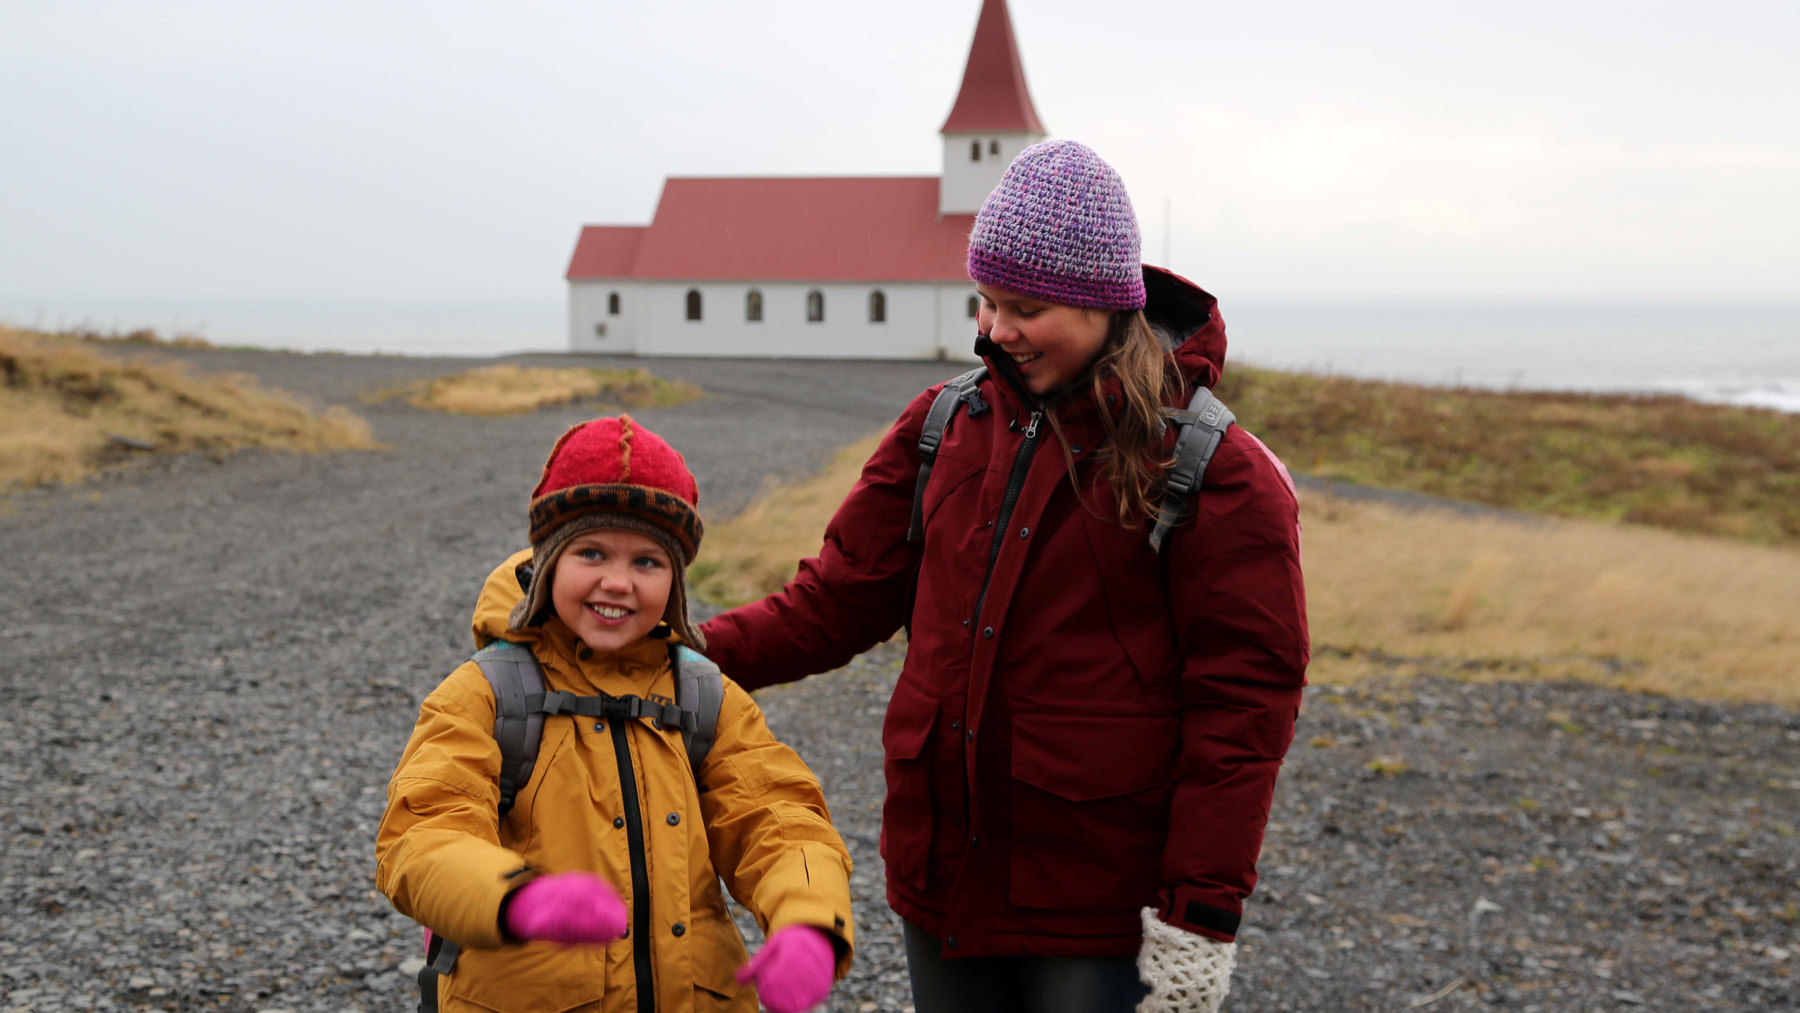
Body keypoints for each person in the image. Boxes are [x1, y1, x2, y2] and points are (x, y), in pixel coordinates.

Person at [700, 140, 1309, 1012]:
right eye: (984, 301)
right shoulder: (944, 424)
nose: (994, 329)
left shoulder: (1214, 468)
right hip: (942, 884)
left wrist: (1201, 917)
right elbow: (835, 600)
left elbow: (1244, 707)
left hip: (1099, 913)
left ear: (1106, 306)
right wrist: (680, 652)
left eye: (1024, 307)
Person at [375, 415, 854, 1013]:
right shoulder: (487, 694)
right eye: (592, 552)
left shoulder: (705, 695)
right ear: (547, 562)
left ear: (676, 584)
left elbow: (777, 819)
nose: (618, 582)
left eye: (648, 562)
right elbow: (423, 833)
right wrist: (514, 900)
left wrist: (809, 922)